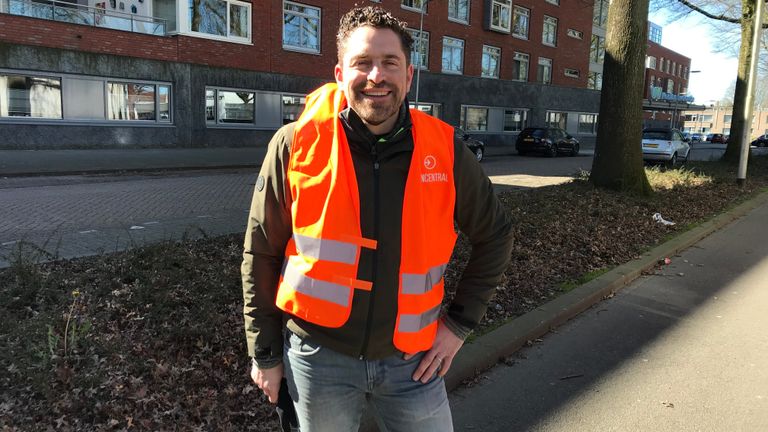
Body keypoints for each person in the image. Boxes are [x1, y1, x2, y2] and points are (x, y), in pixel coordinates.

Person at [242, 5, 513, 431]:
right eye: (362, 63)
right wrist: (266, 354)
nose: (376, 76)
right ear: (338, 73)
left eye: (390, 63)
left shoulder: (445, 151)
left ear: (409, 75)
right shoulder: (295, 144)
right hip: (317, 361)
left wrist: (459, 325)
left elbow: (496, 235)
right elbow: (261, 252)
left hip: (413, 363)